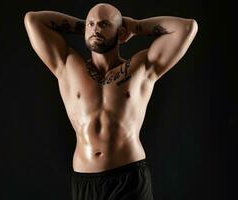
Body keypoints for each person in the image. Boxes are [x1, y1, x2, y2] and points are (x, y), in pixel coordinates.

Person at [24, 3, 198, 200]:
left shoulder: (141, 68)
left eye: (104, 24)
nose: (96, 29)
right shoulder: (67, 65)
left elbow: (186, 28)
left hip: (129, 177)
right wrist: (86, 26)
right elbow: (33, 20)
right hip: (86, 181)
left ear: (120, 32)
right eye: (91, 24)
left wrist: (135, 26)